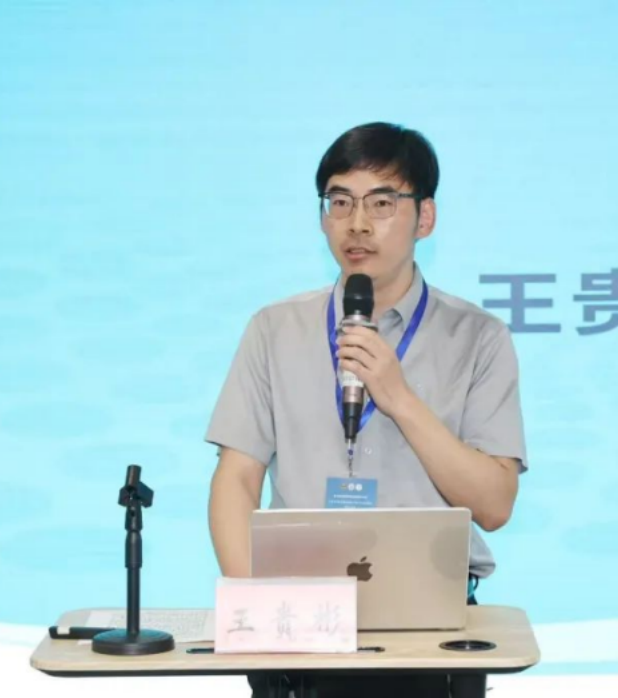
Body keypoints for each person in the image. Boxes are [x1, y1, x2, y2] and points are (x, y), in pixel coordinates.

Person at [205, 121, 527, 698]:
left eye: (381, 203)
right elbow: (236, 477)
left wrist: (398, 397)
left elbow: (495, 504)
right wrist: (253, 601)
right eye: (340, 202)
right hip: (297, 630)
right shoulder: (274, 330)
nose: (357, 223)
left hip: (435, 632)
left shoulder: (479, 338)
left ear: (425, 217)